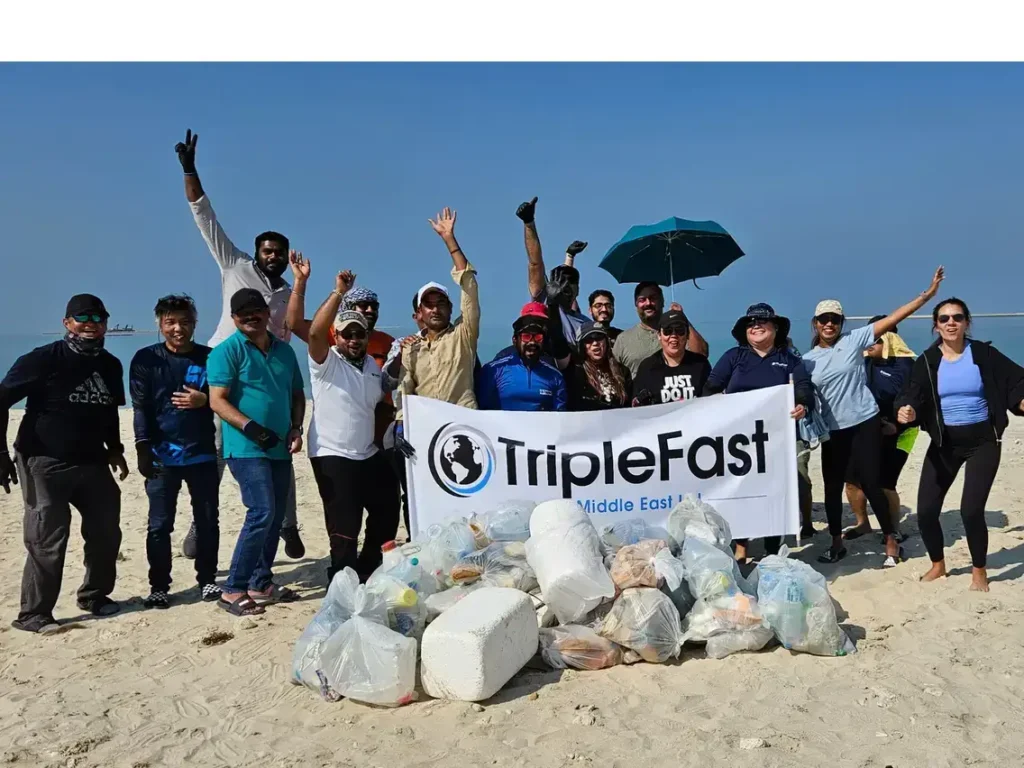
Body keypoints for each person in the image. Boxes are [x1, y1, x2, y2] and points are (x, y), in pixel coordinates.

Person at [174, 129, 305, 560]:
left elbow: (288, 333)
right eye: (267, 250)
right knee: (213, 451)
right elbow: (203, 215)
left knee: (279, 448)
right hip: (224, 365)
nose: (273, 256)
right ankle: (200, 521)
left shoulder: (287, 290)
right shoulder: (233, 263)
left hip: (266, 370)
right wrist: (190, 169)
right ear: (256, 251)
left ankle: (288, 526)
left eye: (279, 252)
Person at [0, 294, 129, 634]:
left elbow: (110, 411)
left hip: (93, 462)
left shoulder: (110, 365)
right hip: (43, 461)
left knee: (105, 532)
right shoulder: (42, 359)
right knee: (47, 538)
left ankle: (95, 595)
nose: (91, 323)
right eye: (82, 317)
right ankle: (34, 614)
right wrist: (0, 454)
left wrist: (115, 449)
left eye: (99, 318)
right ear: (67, 322)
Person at [803, 266, 944, 566]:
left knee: (871, 481)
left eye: (835, 319)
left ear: (841, 322)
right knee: (832, 486)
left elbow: (894, 318)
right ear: (815, 324)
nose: (829, 324)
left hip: (864, 424)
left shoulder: (853, 341)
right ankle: (836, 542)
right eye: (823, 319)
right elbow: (797, 391)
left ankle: (891, 540)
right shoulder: (806, 361)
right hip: (833, 431)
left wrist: (927, 296)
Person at [897, 298, 1024, 592]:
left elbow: (1015, 379)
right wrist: (907, 409)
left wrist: (1019, 401)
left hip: (983, 441)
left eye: (957, 317)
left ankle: (979, 570)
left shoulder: (983, 353)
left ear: (967, 322)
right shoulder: (928, 361)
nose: (951, 323)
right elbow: (911, 393)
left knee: (970, 510)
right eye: (944, 318)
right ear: (936, 325)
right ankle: (938, 565)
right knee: (926, 511)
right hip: (945, 442)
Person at [207, 288, 306, 616]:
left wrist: (296, 427)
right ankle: (233, 587)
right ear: (234, 318)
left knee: (275, 515)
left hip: (280, 446)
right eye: (242, 313)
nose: (251, 317)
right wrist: (250, 427)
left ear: (267, 313)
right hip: (246, 447)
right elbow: (217, 400)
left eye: (256, 311)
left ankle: (260, 582)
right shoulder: (226, 351)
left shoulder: (285, 352)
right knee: (261, 511)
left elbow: (296, 394)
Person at [306, 271, 400, 582]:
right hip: (333, 453)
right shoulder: (326, 360)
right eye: (347, 334)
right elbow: (316, 334)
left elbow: (386, 394)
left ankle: (368, 567)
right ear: (338, 335)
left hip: (366, 453)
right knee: (345, 524)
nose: (353, 340)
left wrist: (402, 358)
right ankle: (341, 579)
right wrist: (337, 293)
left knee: (387, 508)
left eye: (359, 334)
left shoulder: (373, 367)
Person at [130, 295, 221, 609]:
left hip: (203, 453)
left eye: (184, 321)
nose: (178, 328)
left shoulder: (210, 358)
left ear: (194, 322)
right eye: (170, 322)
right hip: (160, 456)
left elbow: (228, 398)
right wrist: (142, 446)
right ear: (160, 324)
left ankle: (207, 580)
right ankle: (159, 586)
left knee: (208, 520)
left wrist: (204, 400)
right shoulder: (145, 359)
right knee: (159, 525)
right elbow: (140, 407)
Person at [703, 303, 813, 562]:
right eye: (751, 322)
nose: (756, 325)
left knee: (773, 494)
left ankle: (772, 550)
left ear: (776, 328)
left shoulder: (790, 360)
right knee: (742, 492)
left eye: (763, 321)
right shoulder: (734, 357)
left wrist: (803, 405)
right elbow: (710, 387)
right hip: (738, 442)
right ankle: (741, 546)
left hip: (776, 440)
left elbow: (804, 387)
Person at [284, 252, 396, 449]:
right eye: (363, 305)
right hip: (341, 433)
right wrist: (300, 281)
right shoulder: (331, 335)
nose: (370, 310)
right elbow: (294, 324)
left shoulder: (387, 342)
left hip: (383, 422)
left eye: (374, 306)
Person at [395, 206, 481, 427]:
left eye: (441, 303)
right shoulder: (411, 347)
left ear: (451, 308)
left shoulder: (464, 335)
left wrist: (449, 240)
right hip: (427, 429)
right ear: (420, 312)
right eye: (429, 305)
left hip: (465, 425)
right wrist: (401, 423)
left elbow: (469, 286)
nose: (435, 309)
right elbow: (405, 390)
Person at [843, 317, 917, 543]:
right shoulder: (862, 363)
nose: (869, 343)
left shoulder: (906, 367)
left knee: (885, 481)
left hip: (901, 432)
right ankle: (863, 523)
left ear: (889, 339)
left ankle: (894, 528)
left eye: (875, 340)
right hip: (867, 430)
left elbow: (915, 401)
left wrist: (897, 424)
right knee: (852, 480)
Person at [516, 196, 589, 357]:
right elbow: (535, 263)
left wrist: (570, 256)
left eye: (571, 287)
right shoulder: (543, 300)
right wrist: (529, 223)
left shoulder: (584, 323)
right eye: (560, 284)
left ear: (577, 291)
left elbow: (567, 282)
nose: (565, 288)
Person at [476, 303, 567, 412]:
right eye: (526, 337)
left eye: (538, 337)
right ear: (515, 340)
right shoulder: (493, 370)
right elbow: (482, 412)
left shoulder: (556, 376)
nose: (532, 342)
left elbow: (560, 417)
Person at [613, 282, 709, 377]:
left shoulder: (677, 333)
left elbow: (701, 353)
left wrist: (682, 318)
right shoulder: (623, 339)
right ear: (636, 304)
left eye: (653, 298)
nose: (648, 303)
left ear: (662, 301)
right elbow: (614, 374)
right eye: (642, 300)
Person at [632, 310, 711, 405]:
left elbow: (713, 399)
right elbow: (636, 404)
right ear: (659, 335)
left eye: (680, 331)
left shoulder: (701, 364)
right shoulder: (647, 367)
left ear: (687, 335)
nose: (674, 336)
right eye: (667, 331)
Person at [566, 321, 633, 411]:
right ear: (581, 346)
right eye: (589, 340)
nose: (595, 343)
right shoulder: (575, 373)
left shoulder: (623, 371)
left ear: (607, 342)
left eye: (599, 337)